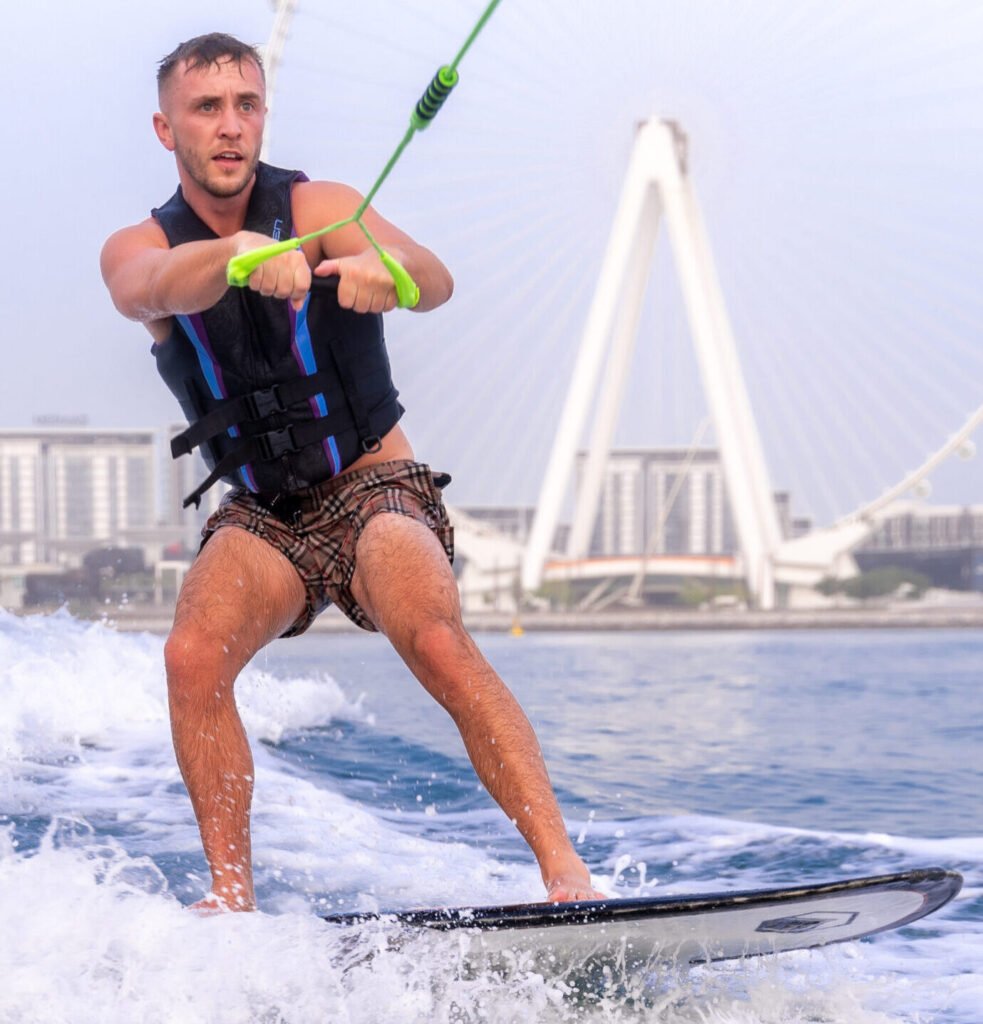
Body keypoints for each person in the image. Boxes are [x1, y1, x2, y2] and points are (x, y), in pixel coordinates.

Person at [100, 33, 600, 913]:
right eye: (207, 108)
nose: (230, 127)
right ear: (164, 127)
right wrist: (243, 256)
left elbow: (436, 278)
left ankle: (565, 878)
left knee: (435, 637)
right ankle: (230, 901)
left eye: (246, 106)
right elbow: (153, 287)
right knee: (189, 655)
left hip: (375, 490)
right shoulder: (137, 246)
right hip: (264, 516)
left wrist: (384, 270)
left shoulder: (323, 202)